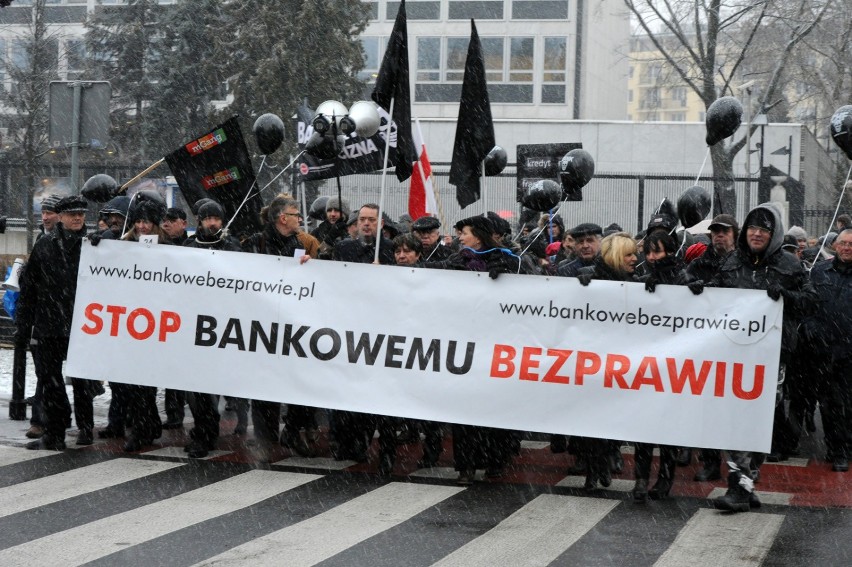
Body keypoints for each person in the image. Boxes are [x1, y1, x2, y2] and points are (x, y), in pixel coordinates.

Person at [711, 203, 815, 512]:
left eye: (764, 230)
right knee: (733, 419)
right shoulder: (730, 262)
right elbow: (713, 297)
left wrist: (786, 295)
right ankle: (741, 484)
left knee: (758, 420)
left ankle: (743, 483)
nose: (757, 234)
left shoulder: (791, 266)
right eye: (753, 228)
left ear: (775, 234)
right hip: (732, 354)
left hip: (772, 356)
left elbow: (810, 302)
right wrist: (696, 290)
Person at [430, 215, 528, 485]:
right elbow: (423, 277)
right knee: (465, 410)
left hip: (501, 348)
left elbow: (538, 292)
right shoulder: (455, 262)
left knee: (497, 409)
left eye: (465, 232)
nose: (460, 237)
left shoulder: (513, 262)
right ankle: (465, 465)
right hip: (465, 346)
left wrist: (508, 276)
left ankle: (496, 460)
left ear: (480, 235)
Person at [17, 196, 96, 450]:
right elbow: (29, 287)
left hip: (82, 325)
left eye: (81, 214)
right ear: (60, 216)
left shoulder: (94, 245)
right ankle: (55, 431)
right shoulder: (45, 244)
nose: (77, 218)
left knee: (82, 382)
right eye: (72, 214)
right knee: (50, 381)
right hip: (49, 324)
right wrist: (25, 323)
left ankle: (85, 426)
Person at [243, 195, 318, 460]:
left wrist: (309, 269)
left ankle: (292, 430)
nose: (300, 218)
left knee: (300, 381)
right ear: (282, 218)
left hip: (290, 324)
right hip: (262, 324)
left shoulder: (300, 245)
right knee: (264, 386)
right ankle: (265, 439)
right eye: (296, 214)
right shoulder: (256, 243)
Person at [632, 230, 697, 501]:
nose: (650, 257)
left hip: (674, 364)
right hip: (647, 364)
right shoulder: (643, 279)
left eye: (656, 252)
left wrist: (697, 292)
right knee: (642, 428)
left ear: (670, 252)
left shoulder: (685, 279)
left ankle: (665, 479)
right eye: (647, 252)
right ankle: (640, 480)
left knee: (668, 427)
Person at [576, 232, 639, 490]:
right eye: (629, 254)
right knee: (590, 420)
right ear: (615, 257)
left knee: (610, 418)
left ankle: (605, 460)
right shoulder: (591, 280)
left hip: (621, 362)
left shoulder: (637, 282)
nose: (636, 258)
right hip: (593, 360)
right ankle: (593, 468)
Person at [685, 213, 739, 481]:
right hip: (706, 346)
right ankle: (709, 462)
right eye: (715, 231)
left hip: (738, 345)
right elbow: (680, 293)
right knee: (707, 406)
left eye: (725, 231)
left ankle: (742, 467)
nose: (719, 235)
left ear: (734, 234)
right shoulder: (698, 265)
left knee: (737, 409)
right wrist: (690, 286)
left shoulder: (746, 263)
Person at [808, 228, 852, 472]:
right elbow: (809, 305)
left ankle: (842, 449)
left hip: (849, 352)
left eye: (851, 245)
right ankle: (835, 447)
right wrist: (813, 328)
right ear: (835, 246)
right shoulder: (820, 272)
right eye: (843, 243)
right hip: (824, 351)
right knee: (827, 402)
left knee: (846, 402)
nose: (846, 248)